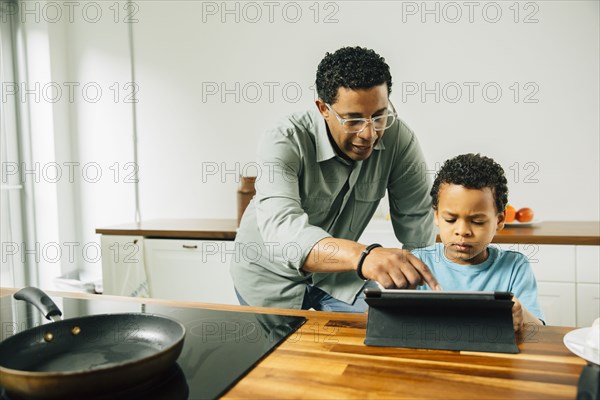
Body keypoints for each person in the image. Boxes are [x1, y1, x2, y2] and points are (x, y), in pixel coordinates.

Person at [230, 46, 440, 312]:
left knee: (383, 327)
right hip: (267, 276)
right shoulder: (283, 140)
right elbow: (284, 232)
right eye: (353, 120)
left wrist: (423, 293)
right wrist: (363, 256)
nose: (369, 134)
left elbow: (417, 221)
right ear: (323, 108)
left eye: (379, 116)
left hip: (339, 275)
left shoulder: (400, 139)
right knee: (280, 353)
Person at [412, 153, 544, 331]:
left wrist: (522, 316)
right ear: (436, 216)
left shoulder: (515, 266)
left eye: (477, 222)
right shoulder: (418, 262)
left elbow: (540, 331)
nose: (462, 231)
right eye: (450, 220)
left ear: (499, 220)